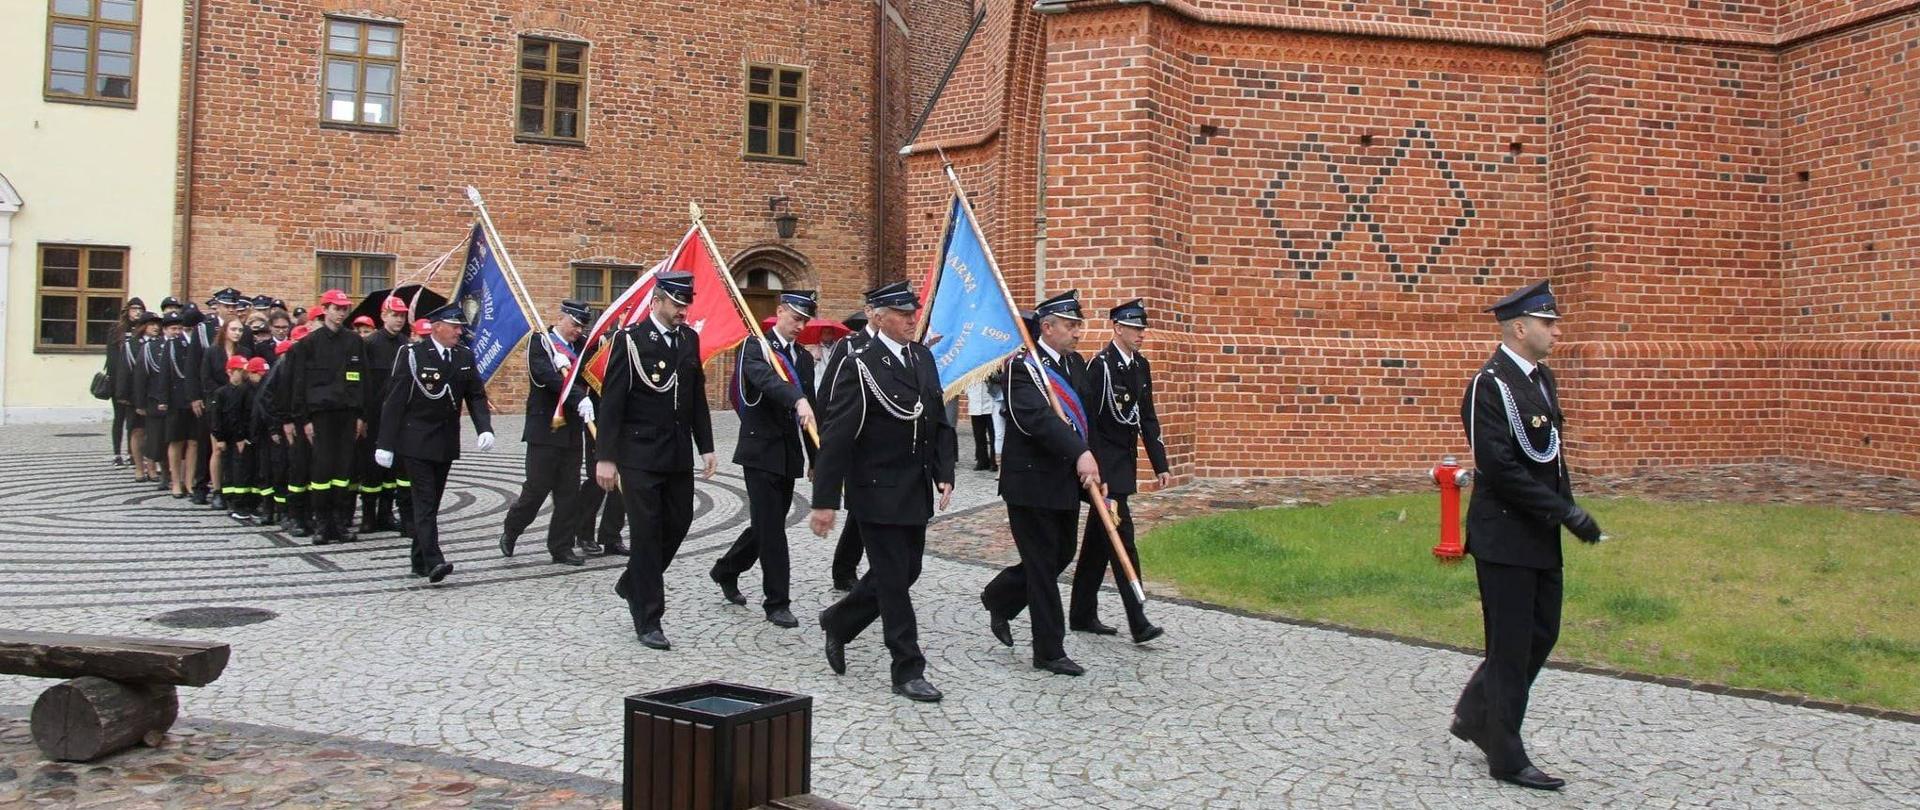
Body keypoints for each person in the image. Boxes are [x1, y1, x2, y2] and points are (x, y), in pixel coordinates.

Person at [1449, 280, 1604, 792]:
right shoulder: (1489, 386)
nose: (1556, 331)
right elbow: (1500, 468)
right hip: (1504, 535)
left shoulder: (1541, 379)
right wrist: (1565, 513)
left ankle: (1476, 713)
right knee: (1511, 645)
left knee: (1542, 632)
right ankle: (1506, 755)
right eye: (1547, 323)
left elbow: (1551, 457)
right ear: (1519, 328)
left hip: (1539, 533)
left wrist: (1565, 510)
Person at [809, 281, 956, 702]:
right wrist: (824, 501)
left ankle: (839, 621)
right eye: (902, 313)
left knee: (908, 571)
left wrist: (944, 470)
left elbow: (937, 418)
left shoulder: (922, 357)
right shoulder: (860, 364)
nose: (912, 320)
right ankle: (907, 667)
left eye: (913, 313)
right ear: (878, 316)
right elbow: (837, 434)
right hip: (875, 488)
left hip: (913, 487)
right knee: (893, 580)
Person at [981, 290, 1103, 677]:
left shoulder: (1074, 364)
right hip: (1030, 482)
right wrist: (1078, 452)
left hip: (1064, 481)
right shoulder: (1022, 367)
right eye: (1070, 325)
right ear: (1047, 327)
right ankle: (1049, 650)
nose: (1077, 332)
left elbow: (1086, 420)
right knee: (1041, 566)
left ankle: (999, 596)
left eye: (1079, 325)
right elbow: (1034, 418)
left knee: (1061, 554)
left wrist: (1096, 467)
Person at [594, 272, 716, 651]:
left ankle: (632, 582)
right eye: (676, 304)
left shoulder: (688, 339)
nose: (683, 311)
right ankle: (648, 618)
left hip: (677, 452)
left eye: (686, 304)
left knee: (679, 522)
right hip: (639, 454)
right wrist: (606, 458)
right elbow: (612, 403)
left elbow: (696, 397)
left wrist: (706, 445)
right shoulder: (629, 341)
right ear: (657, 301)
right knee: (646, 534)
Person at [711, 290, 818, 628]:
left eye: (805, 321)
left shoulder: (802, 358)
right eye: (796, 318)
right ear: (780, 311)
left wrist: (815, 456)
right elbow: (765, 380)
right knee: (772, 529)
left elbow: (811, 408)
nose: (800, 326)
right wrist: (796, 398)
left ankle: (726, 569)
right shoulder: (755, 347)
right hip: (759, 451)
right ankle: (777, 602)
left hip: (787, 454)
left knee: (766, 525)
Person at [1067, 299, 1169, 645]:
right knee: (1122, 538)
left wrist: (1160, 463)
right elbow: (1089, 422)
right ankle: (1138, 619)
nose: (1141, 334)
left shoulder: (1141, 366)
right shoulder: (1101, 366)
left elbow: (1147, 417)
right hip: (1105, 468)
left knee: (1099, 542)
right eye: (1135, 328)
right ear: (1117, 327)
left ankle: (1081, 613)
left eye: (1143, 328)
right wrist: (1096, 469)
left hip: (1125, 464)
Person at [375, 305, 494, 583]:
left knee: (432, 502)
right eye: (454, 326)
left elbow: (475, 395)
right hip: (415, 441)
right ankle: (433, 560)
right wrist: (385, 443)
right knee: (425, 501)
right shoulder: (413, 354)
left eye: (460, 327)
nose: (459, 331)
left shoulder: (464, 356)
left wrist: (485, 428)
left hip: (445, 442)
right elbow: (395, 400)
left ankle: (418, 560)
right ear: (437, 327)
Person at [501, 299, 596, 566]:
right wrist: (574, 391)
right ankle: (512, 528)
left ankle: (561, 547)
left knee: (568, 494)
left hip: (571, 430)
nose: (578, 330)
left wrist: (580, 388)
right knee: (536, 490)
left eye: (582, 326)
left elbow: (593, 371)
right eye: (575, 324)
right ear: (562, 317)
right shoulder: (541, 342)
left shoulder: (581, 346)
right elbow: (544, 377)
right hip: (544, 430)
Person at [289, 290, 370, 545]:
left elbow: (363, 380)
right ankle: (322, 524)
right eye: (336, 308)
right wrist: (304, 419)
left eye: (344, 309)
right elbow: (299, 384)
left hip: (347, 414)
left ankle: (340, 522)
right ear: (325, 309)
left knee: (344, 470)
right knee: (322, 471)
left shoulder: (354, 342)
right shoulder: (309, 344)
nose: (341, 313)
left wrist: (361, 415)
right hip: (321, 416)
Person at [819, 309, 875, 592]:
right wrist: (825, 442)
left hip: (886, 446)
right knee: (861, 509)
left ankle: (853, 569)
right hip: (856, 441)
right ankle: (845, 570)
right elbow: (827, 394)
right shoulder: (849, 346)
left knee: (866, 510)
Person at [359, 296, 411, 536]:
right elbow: (361, 383)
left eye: (402, 316)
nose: (399, 320)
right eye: (394, 315)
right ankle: (368, 517)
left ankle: (386, 513)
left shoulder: (407, 345)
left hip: (398, 418)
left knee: (393, 470)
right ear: (383, 316)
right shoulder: (369, 344)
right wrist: (361, 416)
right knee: (372, 468)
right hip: (374, 416)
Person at [202, 314, 248, 511]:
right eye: (233, 329)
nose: (237, 333)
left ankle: (236, 490)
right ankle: (217, 491)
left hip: (240, 405)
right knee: (218, 449)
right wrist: (224, 394)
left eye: (240, 330)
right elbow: (206, 379)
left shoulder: (245, 351)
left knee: (238, 451)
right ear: (225, 330)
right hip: (219, 405)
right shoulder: (212, 352)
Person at [210, 355, 257, 522]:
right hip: (228, 437)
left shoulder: (247, 390)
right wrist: (219, 438)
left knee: (242, 469)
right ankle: (232, 501)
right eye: (239, 371)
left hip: (242, 437)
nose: (243, 374)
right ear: (230, 372)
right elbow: (216, 417)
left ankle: (243, 502)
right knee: (230, 469)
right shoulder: (221, 393)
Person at [106, 299, 148, 468]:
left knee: (133, 421)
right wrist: (117, 383)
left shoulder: (142, 330)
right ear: (127, 310)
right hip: (119, 380)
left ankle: (132, 453)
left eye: (140, 309)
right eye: (134, 308)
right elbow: (112, 358)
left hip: (135, 383)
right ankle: (117, 453)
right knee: (119, 418)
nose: (137, 312)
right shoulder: (117, 329)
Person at [122, 311, 162, 482]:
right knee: (137, 431)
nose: (156, 327)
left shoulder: (160, 344)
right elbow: (124, 371)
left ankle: (151, 467)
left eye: (157, 324)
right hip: (135, 395)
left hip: (153, 395)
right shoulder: (131, 345)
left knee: (152, 433)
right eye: (152, 324)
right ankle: (139, 467)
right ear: (143, 326)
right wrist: (125, 395)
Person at [965, 376, 999, 471]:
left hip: (990, 402)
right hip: (975, 403)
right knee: (979, 435)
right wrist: (968, 392)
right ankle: (982, 460)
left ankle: (994, 461)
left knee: (993, 435)